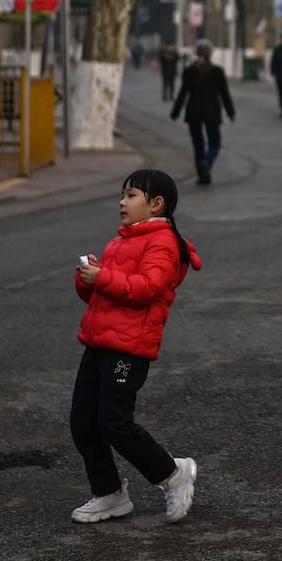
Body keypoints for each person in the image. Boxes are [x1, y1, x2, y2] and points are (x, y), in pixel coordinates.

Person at [71, 169, 203, 524]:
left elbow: (148, 287)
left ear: (156, 203)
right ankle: (109, 493)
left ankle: (173, 473)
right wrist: (89, 278)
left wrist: (104, 278)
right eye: (123, 195)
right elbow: (102, 293)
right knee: (83, 423)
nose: (122, 202)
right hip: (98, 342)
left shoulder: (162, 242)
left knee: (114, 422)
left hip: (128, 349)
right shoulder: (119, 242)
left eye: (131, 195)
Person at [171, 40, 235, 185]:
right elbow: (224, 94)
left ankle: (202, 175)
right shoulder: (217, 71)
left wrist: (175, 112)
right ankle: (207, 161)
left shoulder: (189, 71)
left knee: (197, 144)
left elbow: (183, 93)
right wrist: (231, 112)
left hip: (193, 113)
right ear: (210, 54)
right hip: (212, 113)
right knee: (215, 143)